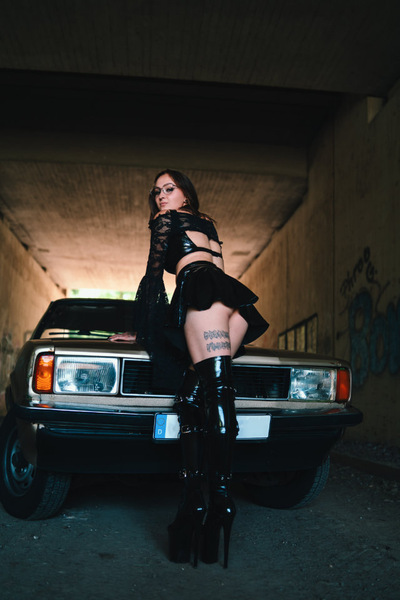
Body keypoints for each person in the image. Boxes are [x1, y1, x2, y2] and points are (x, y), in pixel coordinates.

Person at [113, 169, 268, 568]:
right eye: (156, 191)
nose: (160, 196)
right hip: (232, 303)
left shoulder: (165, 221)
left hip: (202, 294)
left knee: (216, 392)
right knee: (191, 396)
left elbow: (153, 278)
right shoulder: (208, 223)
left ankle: (216, 500)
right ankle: (196, 503)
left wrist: (141, 329)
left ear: (185, 193)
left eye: (169, 188)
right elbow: (217, 265)